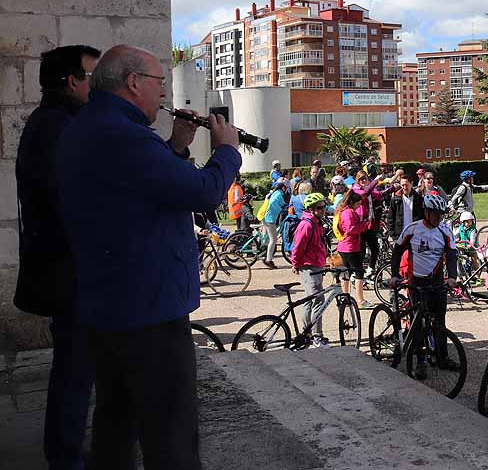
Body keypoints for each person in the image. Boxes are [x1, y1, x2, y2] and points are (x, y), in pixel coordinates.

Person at [56, 45, 240, 469]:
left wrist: (175, 147)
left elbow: (144, 190)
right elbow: (202, 192)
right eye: (160, 83)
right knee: (169, 432)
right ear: (134, 82)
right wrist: (227, 149)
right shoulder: (123, 136)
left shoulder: (91, 127)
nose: (163, 94)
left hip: (110, 304)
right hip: (148, 309)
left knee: (116, 421)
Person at [14, 45, 100, 470]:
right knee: (74, 370)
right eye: (92, 77)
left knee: (78, 368)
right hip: (70, 271)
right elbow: (77, 199)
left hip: (68, 268)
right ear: (72, 81)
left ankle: (69, 451)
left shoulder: (56, 122)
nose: (98, 85)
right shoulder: (59, 127)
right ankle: (65, 458)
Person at [391, 194, 460, 374]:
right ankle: (420, 360)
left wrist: (452, 277)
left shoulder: (444, 231)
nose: (438, 218)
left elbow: (452, 254)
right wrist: (395, 275)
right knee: (419, 323)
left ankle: (442, 357)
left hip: (436, 283)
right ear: (426, 212)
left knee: (439, 322)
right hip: (417, 283)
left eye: (441, 214)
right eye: (435, 214)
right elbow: (397, 251)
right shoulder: (413, 229)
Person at [290, 193, 333, 347]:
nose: (323, 210)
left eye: (324, 207)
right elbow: (298, 247)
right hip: (309, 267)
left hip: (316, 266)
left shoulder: (316, 223)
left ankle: (305, 334)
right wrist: (295, 263)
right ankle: (317, 336)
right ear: (311, 209)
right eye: (319, 208)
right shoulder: (307, 225)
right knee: (318, 301)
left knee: (309, 301)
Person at [335, 190, 371, 306]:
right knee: (359, 272)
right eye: (358, 204)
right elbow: (350, 229)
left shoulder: (342, 211)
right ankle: (360, 300)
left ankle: (345, 297)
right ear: (353, 203)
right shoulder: (349, 213)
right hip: (350, 247)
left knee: (346, 273)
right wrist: (364, 225)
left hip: (344, 246)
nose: (359, 206)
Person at [352, 169, 387, 280]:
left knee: (375, 247)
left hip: (369, 223)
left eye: (365, 178)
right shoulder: (356, 189)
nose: (363, 180)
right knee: (361, 250)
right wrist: (375, 181)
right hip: (359, 224)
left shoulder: (370, 189)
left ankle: (370, 268)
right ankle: (356, 272)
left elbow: (380, 194)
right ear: (357, 180)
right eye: (361, 179)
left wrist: (394, 187)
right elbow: (365, 194)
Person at [262, 177, 289, 268]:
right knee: (273, 239)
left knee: (270, 238)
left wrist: (285, 206)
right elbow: (274, 203)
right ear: (283, 187)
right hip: (270, 219)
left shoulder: (277, 192)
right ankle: (268, 260)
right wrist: (281, 209)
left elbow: (281, 203)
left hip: (268, 218)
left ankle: (264, 249)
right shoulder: (279, 194)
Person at [386, 175, 423, 242]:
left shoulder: (419, 199)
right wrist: (393, 235)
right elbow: (390, 218)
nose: (404, 187)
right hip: (400, 235)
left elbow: (422, 217)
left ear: (411, 184)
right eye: (402, 185)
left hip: (415, 235)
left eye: (406, 185)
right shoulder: (395, 199)